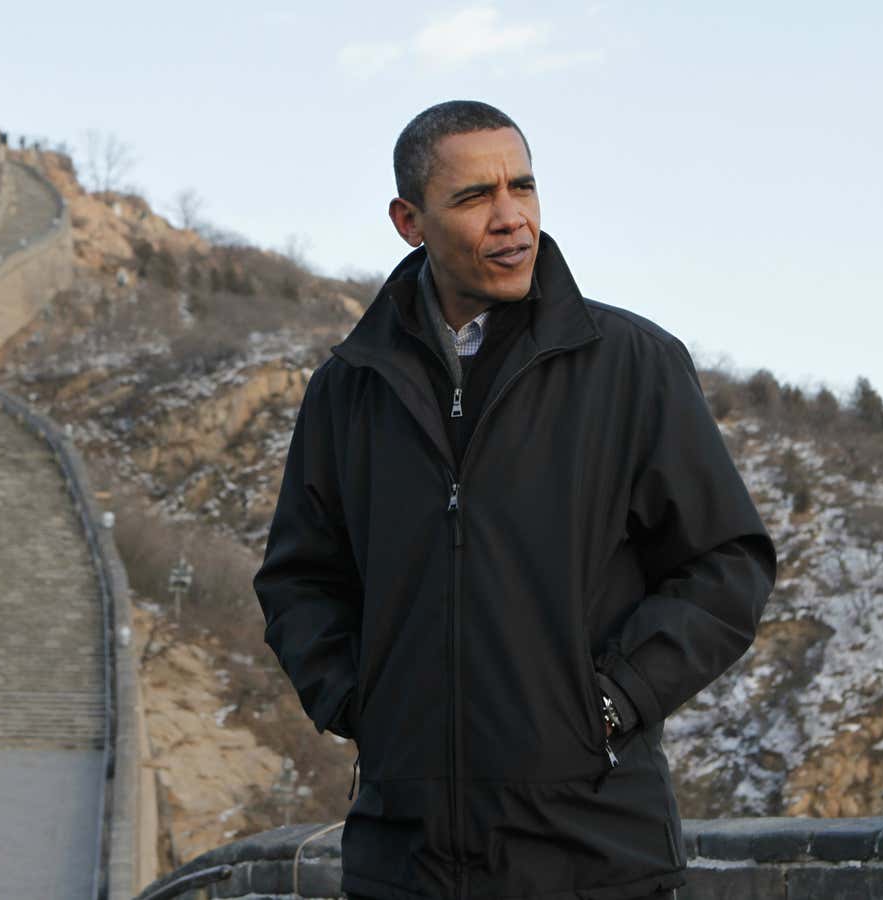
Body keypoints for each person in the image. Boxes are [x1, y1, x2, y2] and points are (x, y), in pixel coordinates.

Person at [253, 100, 777, 900]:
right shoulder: (347, 390)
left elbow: (726, 565)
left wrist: (607, 704)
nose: (511, 219)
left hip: (595, 856)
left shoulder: (633, 365)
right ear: (410, 221)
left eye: (522, 188)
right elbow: (300, 579)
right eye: (474, 198)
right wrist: (366, 704)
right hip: (406, 861)